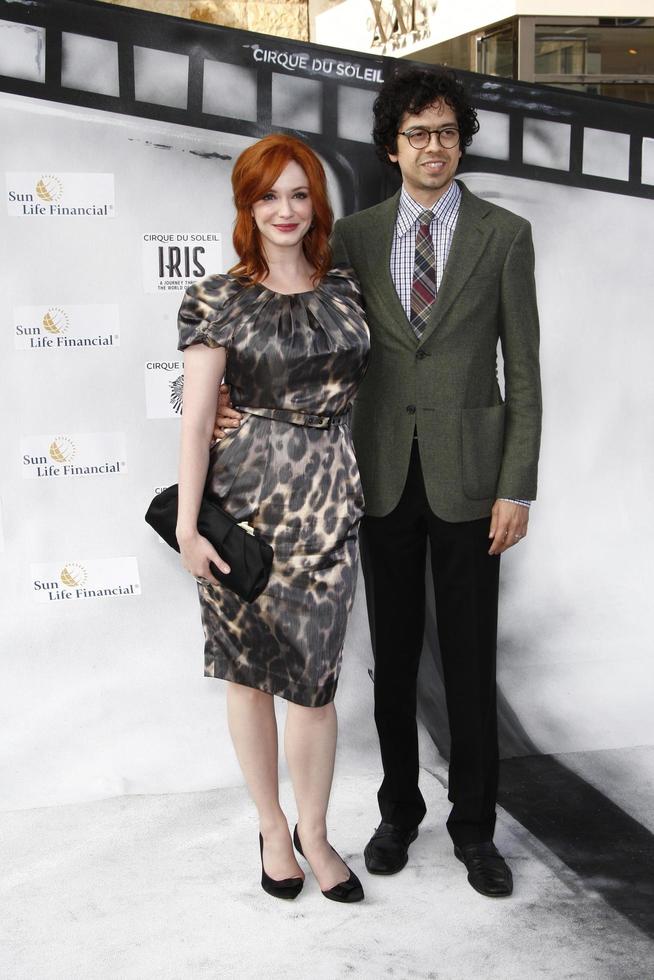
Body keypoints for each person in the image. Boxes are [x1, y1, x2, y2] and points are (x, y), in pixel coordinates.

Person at [215, 66, 542, 898]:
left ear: (461, 140)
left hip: (472, 481)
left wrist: (518, 486)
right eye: (417, 134)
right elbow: (294, 327)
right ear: (392, 148)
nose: (434, 147)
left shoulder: (505, 236)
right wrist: (227, 402)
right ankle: (398, 814)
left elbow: (526, 373)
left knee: (469, 663)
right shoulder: (353, 237)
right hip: (376, 478)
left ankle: (475, 829)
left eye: (446, 132)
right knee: (390, 662)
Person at [176, 134, 369, 903]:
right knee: (249, 675)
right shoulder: (216, 297)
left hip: (328, 502)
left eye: (298, 194)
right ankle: (270, 824)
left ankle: (315, 832)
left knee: (315, 685)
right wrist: (190, 528)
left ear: (315, 203)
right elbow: (196, 422)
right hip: (244, 508)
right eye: (268, 196)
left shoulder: (347, 289)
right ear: (246, 206)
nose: (284, 210)